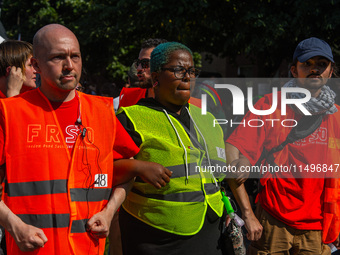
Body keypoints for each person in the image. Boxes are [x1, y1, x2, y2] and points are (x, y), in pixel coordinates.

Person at [0, 23, 149, 255]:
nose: (69, 66)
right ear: (36, 65)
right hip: (33, 249)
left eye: (75, 56)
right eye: (58, 57)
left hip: (88, 248)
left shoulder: (102, 112)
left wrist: (109, 213)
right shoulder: (10, 113)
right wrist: (14, 226)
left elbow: (127, 171)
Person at [226, 37, 340, 254]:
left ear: (331, 71)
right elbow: (233, 148)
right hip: (272, 223)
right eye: (307, 64)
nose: (314, 70)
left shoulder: (336, 116)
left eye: (321, 64)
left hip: (318, 230)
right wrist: (248, 214)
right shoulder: (270, 106)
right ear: (294, 71)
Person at [117, 42, 227, 255]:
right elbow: (102, 170)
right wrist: (138, 167)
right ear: (156, 78)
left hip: (211, 233)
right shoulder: (130, 118)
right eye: (178, 70)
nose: (187, 77)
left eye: (191, 71)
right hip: (156, 236)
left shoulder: (208, 119)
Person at [118, 38, 167, 108]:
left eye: (145, 63)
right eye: (138, 63)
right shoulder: (129, 98)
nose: (138, 69)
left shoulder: (183, 101)